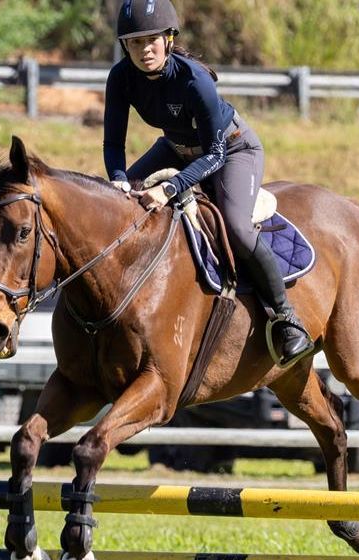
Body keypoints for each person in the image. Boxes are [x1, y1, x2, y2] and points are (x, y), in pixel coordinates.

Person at [104, 0, 314, 366]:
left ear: (169, 39)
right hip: (176, 147)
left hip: (232, 149)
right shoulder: (120, 79)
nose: (143, 50)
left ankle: (286, 319)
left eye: (151, 39)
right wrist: (120, 181)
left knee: (236, 227)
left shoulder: (193, 80)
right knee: (115, 205)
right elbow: (112, 144)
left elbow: (215, 155)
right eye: (134, 42)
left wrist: (169, 188)